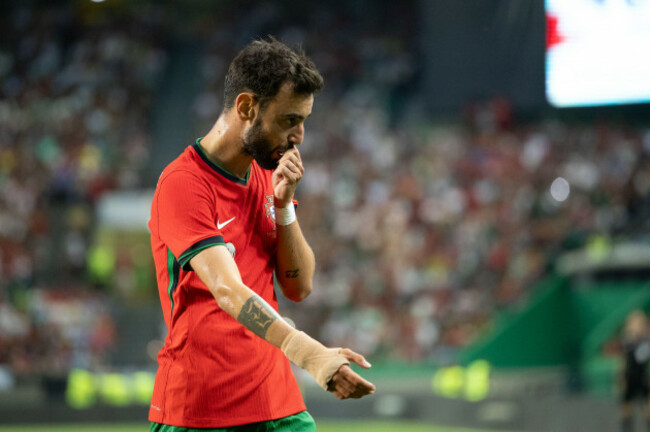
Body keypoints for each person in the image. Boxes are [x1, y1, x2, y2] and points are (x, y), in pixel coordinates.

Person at [147, 37, 375, 432]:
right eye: (290, 120)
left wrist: (284, 207)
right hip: (200, 410)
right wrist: (311, 354)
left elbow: (300, 286)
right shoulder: (183, 183)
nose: (300, 136)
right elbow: (228, 290)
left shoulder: (268, 177)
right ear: (247, 107)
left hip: (277, 402)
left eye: (304, 120)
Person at [619, 310, 650, 432]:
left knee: (647, 407)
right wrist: (621, 379)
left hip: (642, 377)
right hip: (629, 376)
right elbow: (623, 361)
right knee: (626, 407)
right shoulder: (627, 339)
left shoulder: (646, 339)